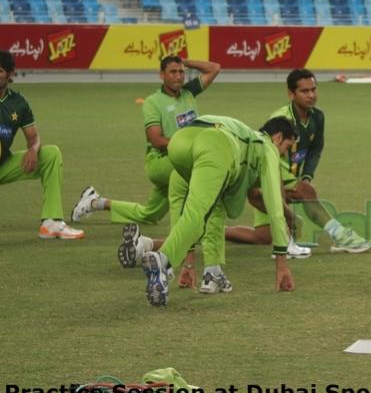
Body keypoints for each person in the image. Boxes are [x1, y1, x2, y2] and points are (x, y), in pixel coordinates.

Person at [140, 115, 297, 307]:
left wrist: (189, 263)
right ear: (278, 138)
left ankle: (212, 273)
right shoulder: (268, 148)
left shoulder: (244, 137)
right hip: (215, 144)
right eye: (286, 149)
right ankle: (163, 260)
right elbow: (275, 207)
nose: (282, 155)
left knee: (204, 208)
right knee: (198, 212)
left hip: (180, 141)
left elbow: (193, 210)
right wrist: (282, 262)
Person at [224, 68, 371, 255]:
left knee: (263, 237)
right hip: (269, 174)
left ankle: (214, 232)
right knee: (306, 193)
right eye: (304, 91)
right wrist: (290, 184)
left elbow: (315, 149)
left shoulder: (318, 117)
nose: (311, 95)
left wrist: (307, 176)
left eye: (313, 89)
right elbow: (266, 153)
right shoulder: (281, 119)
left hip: (288, 177)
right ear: (290, 93)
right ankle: (342, 237)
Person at [72, 56, 221, 235]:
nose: (178, 76)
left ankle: (95, 202)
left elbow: (214, 68)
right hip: (161, 161)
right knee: (200, 174)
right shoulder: (153, 102)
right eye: (173, 72)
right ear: (161, 75)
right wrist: (189, 146)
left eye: (181, 72)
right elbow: (157, 140)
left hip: (180, 160)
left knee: (150, 214)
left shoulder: (189, 92)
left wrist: (186, 62)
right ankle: (199, 230)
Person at [0, 50, 78, 239]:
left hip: (4, 165)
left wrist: (33, 150)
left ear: (11, 74)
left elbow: (33, 138)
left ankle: (51, 223)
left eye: (0, 71)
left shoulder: (18, 103)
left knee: (51, 154)